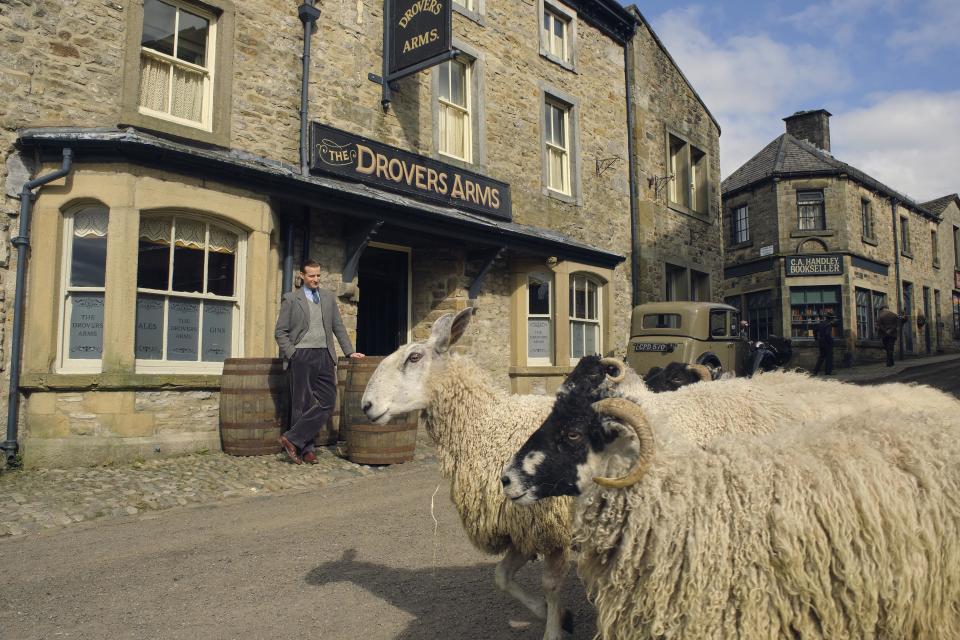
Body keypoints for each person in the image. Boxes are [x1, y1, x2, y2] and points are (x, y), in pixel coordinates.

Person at [275, 260, 364, 464]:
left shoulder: (327, 298)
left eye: (318, 276)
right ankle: (306, 450)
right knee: (302, 404)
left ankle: (291, 438)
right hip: (301, 356)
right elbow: (280, 332)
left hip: (325, 355)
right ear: (303, 276)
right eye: (312, 276)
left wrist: (349, 352)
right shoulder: (291, 299)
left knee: (328, 400)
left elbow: (338, 327)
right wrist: (293, 353)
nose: (315, 279)